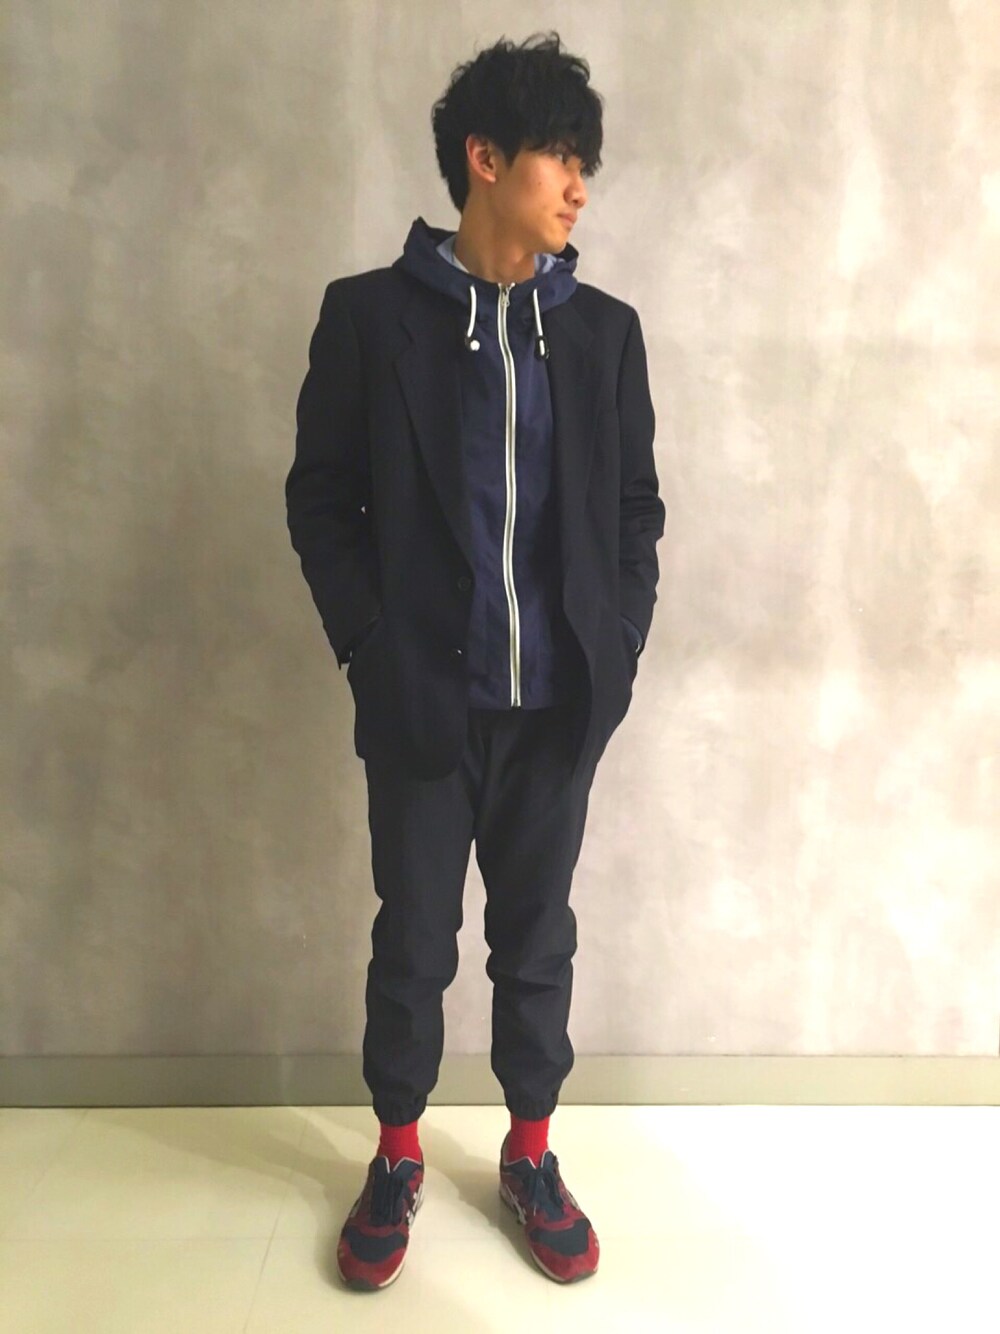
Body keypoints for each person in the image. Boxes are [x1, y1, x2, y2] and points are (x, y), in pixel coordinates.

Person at [285, 30, 664, 1291]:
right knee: (412, 942)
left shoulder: (604, 335)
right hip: (421, 703)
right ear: (484, 159)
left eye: (585, 163)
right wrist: (369, 647)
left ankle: (530, 1150)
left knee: (538, 942)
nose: (580, 186)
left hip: (556, 710)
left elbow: (634, 515)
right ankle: (396, 1152)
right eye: (561, 156)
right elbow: (320, 500)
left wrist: (615, 647)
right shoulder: (369, 320)